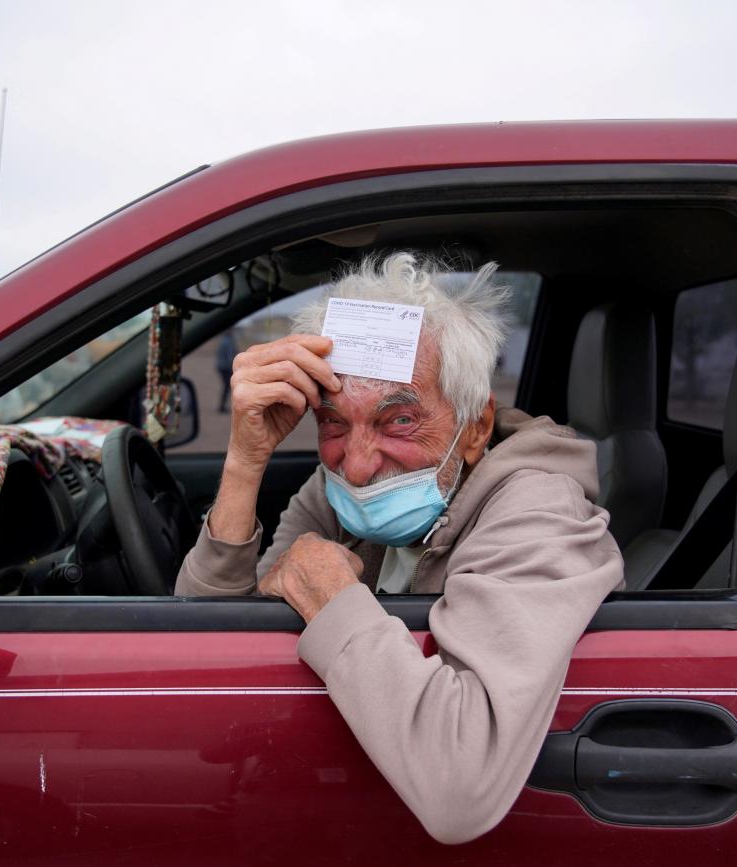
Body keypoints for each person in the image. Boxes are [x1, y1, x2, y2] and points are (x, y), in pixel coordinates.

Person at [174, 252, 623, 844]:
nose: (357, 467)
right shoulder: (338, 490)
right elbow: (206, 641)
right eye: (333, 424)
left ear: (476, 428)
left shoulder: (540, 514)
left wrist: (334, 599)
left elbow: (460, 789)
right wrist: (245, 461)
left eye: (400, 422)